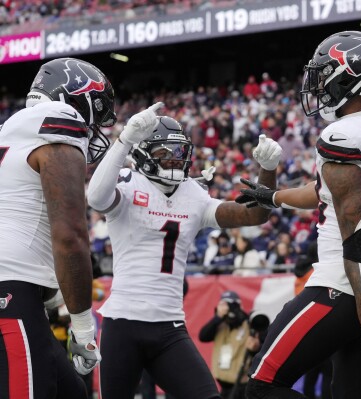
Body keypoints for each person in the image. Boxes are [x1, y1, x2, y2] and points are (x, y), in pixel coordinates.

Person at [239, 31, 361, 399]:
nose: (317, 84)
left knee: (262, 385)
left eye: (325, 73)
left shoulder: (343, 135)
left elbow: (358, 235)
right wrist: (273, 196)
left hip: (345, 288)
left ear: (351, 77)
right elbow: (328, 191)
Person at [86, 108, 282, 399]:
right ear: (144, 154)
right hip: (123, 323)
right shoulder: (129, 182)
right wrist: (125, 139)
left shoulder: (193, 194)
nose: (176, 159)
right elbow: (97, 198)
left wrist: (268, 170)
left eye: (180, 152)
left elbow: (254, 216)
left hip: (169, 327)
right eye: (166, 153)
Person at [0, 57, 114, 397]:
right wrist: (83, 329)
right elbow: (70, 236)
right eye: (96, 111)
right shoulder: (59, 120)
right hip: (10, 295)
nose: (95, 126)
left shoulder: (11, 129)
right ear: (73, 97)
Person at [199, 290, 258, 399]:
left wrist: (238, 312)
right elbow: (203, 336)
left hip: (242, 384)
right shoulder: (219, 323)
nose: (229, 307)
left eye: (231, 304)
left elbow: (258, 346)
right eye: (224, 304)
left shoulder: (248, 323)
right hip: (223, 385)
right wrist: (218, 316)